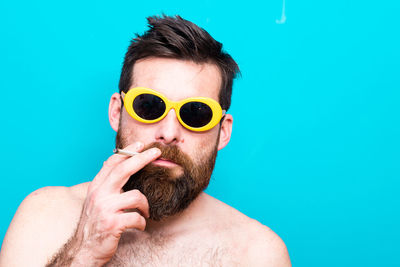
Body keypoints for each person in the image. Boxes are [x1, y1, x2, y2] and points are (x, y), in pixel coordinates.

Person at [0, 15, 291, 266]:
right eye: (150, 106)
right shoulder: (44, 217)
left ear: (223, 132)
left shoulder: (258, 254)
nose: (169, 132)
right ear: (117, 112)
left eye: (196, 113)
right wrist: (82, 253)